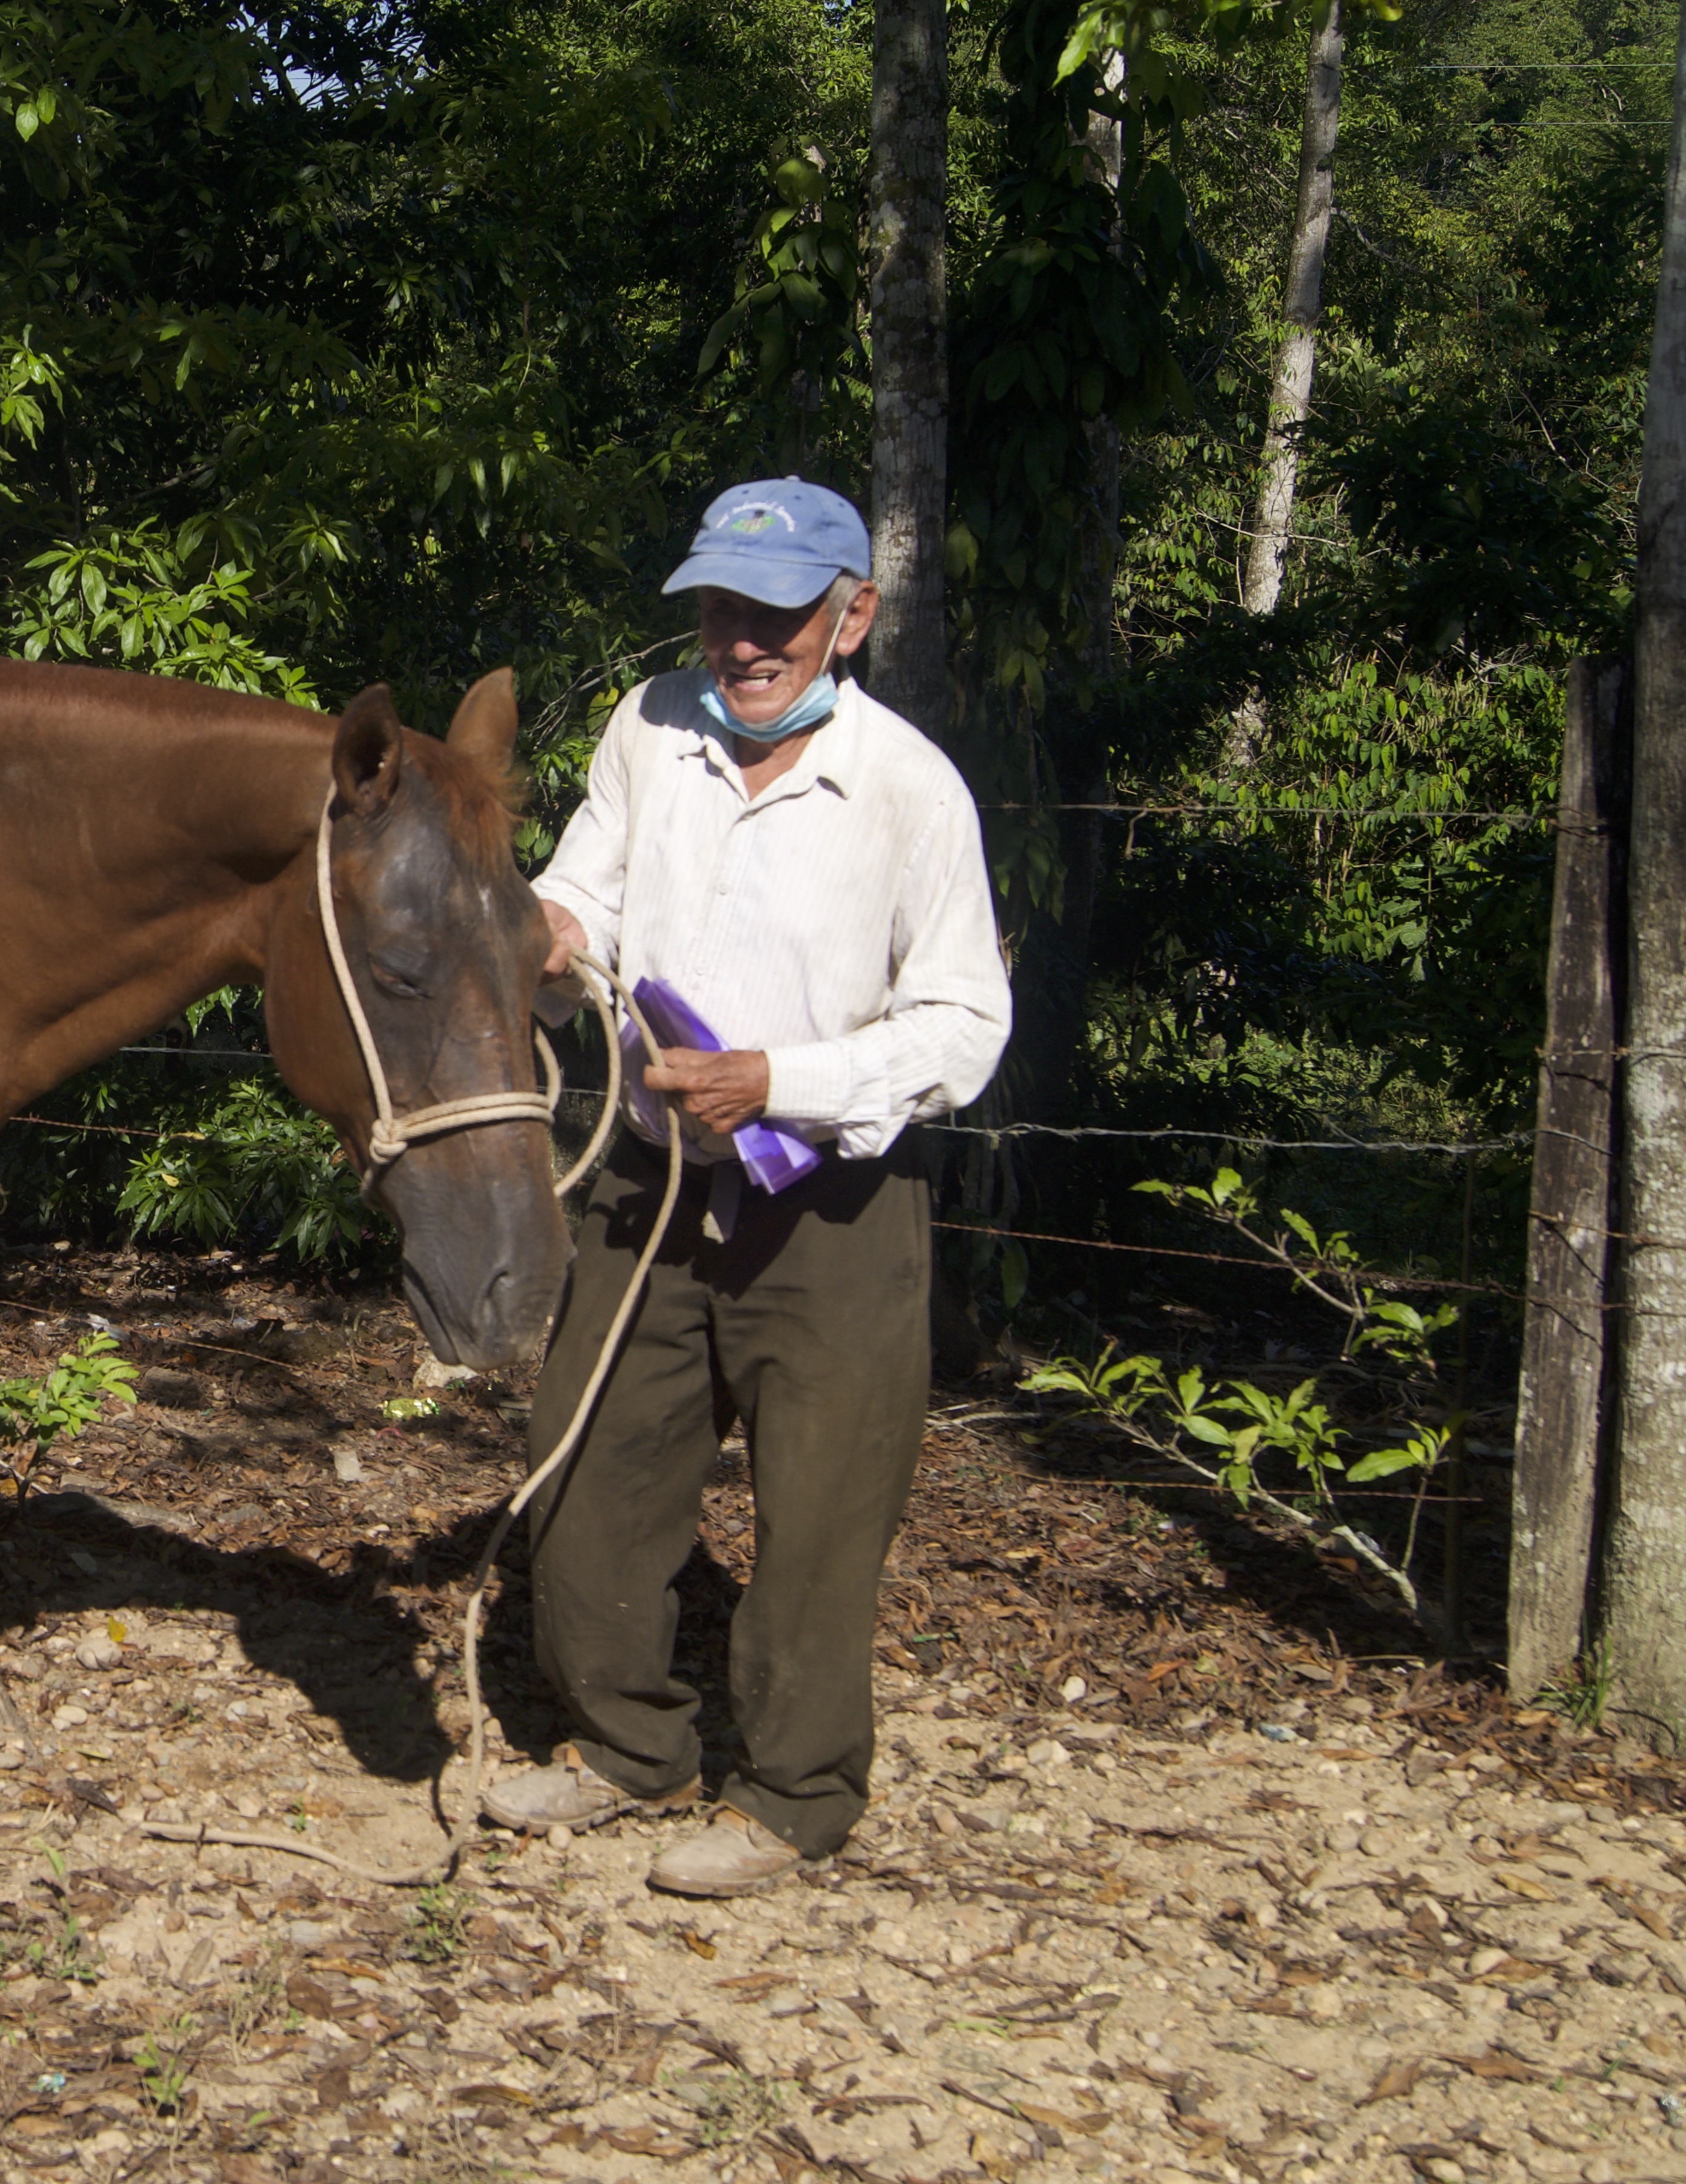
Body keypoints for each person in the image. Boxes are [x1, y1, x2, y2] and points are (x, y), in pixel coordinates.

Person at [485, 477, 1012, 1897]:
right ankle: (623, 1746)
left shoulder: (906, 787)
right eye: (720, 608)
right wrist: (536, 929)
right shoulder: (648, 730)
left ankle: (792, 1795)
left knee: (822, 1514)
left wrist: (776, 1081)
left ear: (852, 619)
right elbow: (585, 893)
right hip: (647, 1189)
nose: (740, 642)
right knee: (593, 1469)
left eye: (775, 616)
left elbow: (965, 1025)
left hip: (830, 1210)